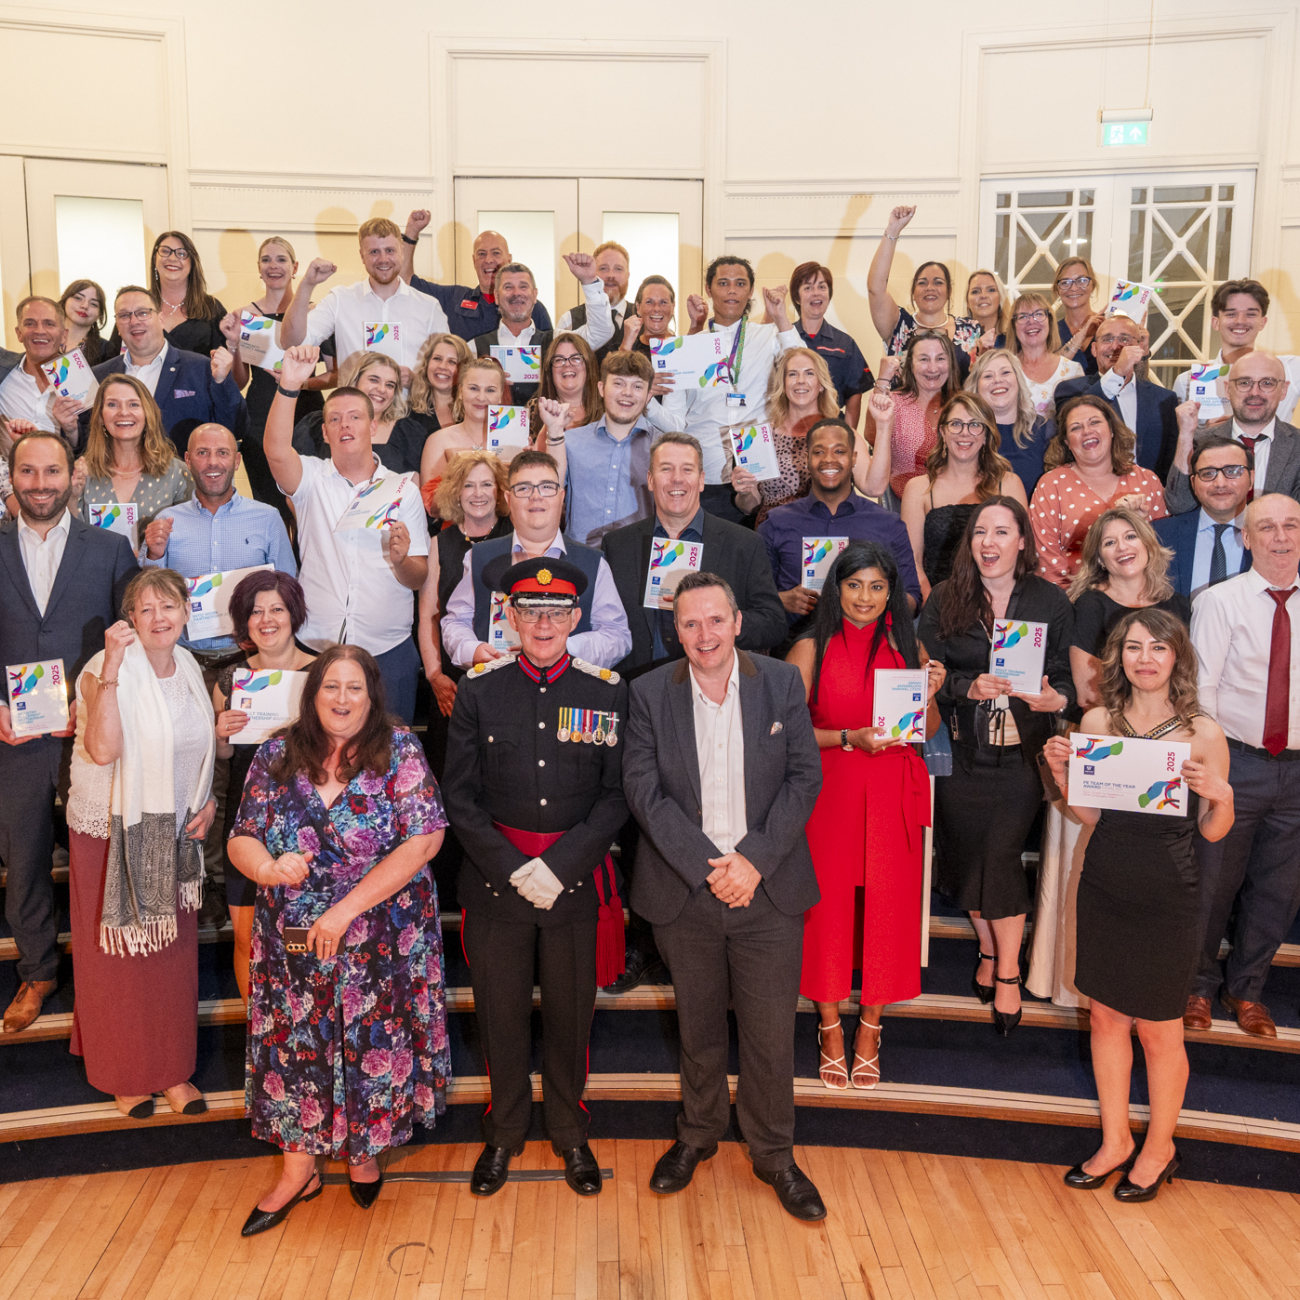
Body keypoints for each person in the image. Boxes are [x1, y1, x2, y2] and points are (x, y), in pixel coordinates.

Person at [622, 572, 826, 1222]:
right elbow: (644, 793)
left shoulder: (781, 682)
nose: (704, 634)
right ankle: (698, 1134)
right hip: (687, 891)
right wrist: (711, 869)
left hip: (767, 888)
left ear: (738, 622)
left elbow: (805, 777)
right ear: (675, 630)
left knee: (769, 1034)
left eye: (716, 620)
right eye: (690, 623)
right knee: (699, 1025)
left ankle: (774, 1154)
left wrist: (752, 862)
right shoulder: (649, 692)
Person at [228, 645, 449, 1232]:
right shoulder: (276, 752)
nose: (342, 699)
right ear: (313, 693)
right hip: (293, 941)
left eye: (355, 688)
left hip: (380, 936)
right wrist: (267, 867)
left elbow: (425, 840)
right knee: (294, 1048)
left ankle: (363, 1153)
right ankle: (297, 1170)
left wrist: (344, 912)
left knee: (370, 1041)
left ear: (372, 696)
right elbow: (241, 836)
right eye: (331, 686)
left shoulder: (398, 749)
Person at [442, 555, 628, 1199]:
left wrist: (563, 866)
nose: (543, 623)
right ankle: (505, 1131)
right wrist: (514, 869)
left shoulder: (606, 691)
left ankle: (571, 1131)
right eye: (531, 611)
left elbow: (617, 795)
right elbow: (459, 797)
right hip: (498, 884)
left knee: (572, 1018)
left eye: (556, 612)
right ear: (510, 617)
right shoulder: (479, 690)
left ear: (576, 618)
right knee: (501, 1016)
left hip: (574, 884)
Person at [1043, 611, 1233, 1201]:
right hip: (1106, 881)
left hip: (1168, 891)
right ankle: (1116, 1141)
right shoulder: (1099, 721)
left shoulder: (1203, 732)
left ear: (1178, 657)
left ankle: (1159, 1149)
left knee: (1158, 1029)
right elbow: (1089, 816)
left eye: (1157, 647)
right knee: (1104, 1017)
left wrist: (1223, 797)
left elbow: (1214, 831)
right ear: (1117, 656)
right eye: (1132, 647)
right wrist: (1064, 776)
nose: (1144, 658)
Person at [787, 543, 944, 1091]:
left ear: (891, 593)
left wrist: (931, 695)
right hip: (831, 787)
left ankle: (871, 1026)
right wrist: (849, 738)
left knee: (887, 910)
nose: (865, 597)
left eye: (877, 587)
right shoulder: (810, 648)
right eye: (854, 585)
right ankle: (830, 1025)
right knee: (825, 909)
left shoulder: (909, 646)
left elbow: (925, 729)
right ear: (836, 588)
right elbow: (788, 734)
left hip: (891, 787)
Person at [918, 498, 1074, 1035]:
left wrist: (1057, 699)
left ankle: (1008, 971)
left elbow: (1065, 675)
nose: (989, 542)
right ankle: (987, 949)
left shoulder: (1049, 600)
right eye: (980, 531)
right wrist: (966, 686)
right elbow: (925, 671)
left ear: (1022, 541)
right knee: (967, 859)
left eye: (1002, 531)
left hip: (1020, 759)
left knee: (1001, 857)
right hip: (960, 753)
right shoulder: (946, 597)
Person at [0, 431, 137, 1033]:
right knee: (24, 853)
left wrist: (101, 698)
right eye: (27, 472)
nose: (40, 484)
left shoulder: (110, 548)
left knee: (101, 852)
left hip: (91, 732)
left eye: (51, 471)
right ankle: (38, 971)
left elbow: (132, 636)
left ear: (72, 476)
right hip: (16, 736)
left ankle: (105, 969)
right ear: (11, 477)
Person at [1027, 510, 1191, 1008]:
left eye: (1130, 536)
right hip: (1107, 749)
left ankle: (1152, 989)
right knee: (1092, 869)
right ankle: (1082, 991)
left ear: (1148, 542)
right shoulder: (1090, 604)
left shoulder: (1178, 603)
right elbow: (1086, 690)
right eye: (1109, 542)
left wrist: (1161, 733)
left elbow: (1184, 678)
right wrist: (1137, 739)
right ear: (1097, 556)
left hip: (1166, 754)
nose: (1122, 548)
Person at [70, 568, 216, 1118]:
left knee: (170, 961)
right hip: (112, 832)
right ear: (129, 618)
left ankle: (171, 1069)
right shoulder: (102, 668)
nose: (159, 618)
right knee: (120, 962)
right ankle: (125, 1072)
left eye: (169, 606)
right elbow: (104, 751)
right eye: (146, 608)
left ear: (186, 613)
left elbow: (197, 751)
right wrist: (111, 668)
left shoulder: (191, 667)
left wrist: (207, 802)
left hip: (174, 835)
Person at [1185, 493, 1300, 1038]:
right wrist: (1213, 768)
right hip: (1236, 765)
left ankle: (1247, 991)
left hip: (1297, 773)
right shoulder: (1219, 602)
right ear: (1247, 538)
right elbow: (1201, 690)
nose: (1281, 537)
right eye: (1267, 527)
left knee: (1279, 891)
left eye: (1291, 525)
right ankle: (1197, 987)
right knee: (1213, 884)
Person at [264, 346, 430, 722]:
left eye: (355, 417)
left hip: (388, 649)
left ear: (373, 426)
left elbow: (417, 577)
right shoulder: (310, 479)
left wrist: (401, 560)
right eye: (335, 419)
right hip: (317, 644)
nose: (345, 426)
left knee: (391, 751)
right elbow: (275, 451)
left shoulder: (403, 489)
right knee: (317, 750)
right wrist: (289, 386)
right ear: (324, 432)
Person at [601, 432, 788, 675]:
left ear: (701, 480)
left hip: (714, 684)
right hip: (636, 684)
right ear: (650, 480)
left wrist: (719, 621)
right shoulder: (618, 545)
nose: (677, 479)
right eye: (666, 469)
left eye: (687, 469)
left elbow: (773, 624)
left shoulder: (744, 544)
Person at [212, 570, 315, 1004]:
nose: (266, 619)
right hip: (247, 822)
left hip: (310, 819)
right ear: (244, 621)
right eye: (256, 612)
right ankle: (257, 1029)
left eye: (277, 609)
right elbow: (222, 759)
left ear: (294, 614)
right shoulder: (229, 680)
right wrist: (220, 735)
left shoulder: (322, 672)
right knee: (246, 937)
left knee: (306, 937)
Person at [441, 449, 631, 671]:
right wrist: (471, 650)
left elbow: (617, 635)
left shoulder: (593, 562)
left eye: (547, 487)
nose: (536, 496)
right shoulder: (479, 556)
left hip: (569, 686)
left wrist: (567, 649)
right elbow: (455, 621)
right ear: (508, 499)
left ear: (561, 497)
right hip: (498, 682)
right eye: (523, 488)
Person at [656, 256, 801, 521]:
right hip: (705, 474)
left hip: (758, 472)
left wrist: (781, 317)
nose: (732, 290)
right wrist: (645, 402)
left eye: (740, 283)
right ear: (709, 289)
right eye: (723, 283)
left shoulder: (768, 335)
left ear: (751, 290)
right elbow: (673, 421)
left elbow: (804, 367)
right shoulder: (685, 347)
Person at [759, 409, 921, 642]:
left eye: (839, 451)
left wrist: (877, 598)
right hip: (793, 646)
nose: (828, 459)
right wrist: (782, 600)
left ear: (854, 458)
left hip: (869, 645)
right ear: (807, 458)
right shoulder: (776, 523)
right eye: (819, 452)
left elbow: (913, 599)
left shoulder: (888, 524)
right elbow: (753, 598)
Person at [142, 423, 296, 660]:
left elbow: (288, 589)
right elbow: (149, 593)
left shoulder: (267, 518)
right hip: (182, 657)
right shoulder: (167, 521)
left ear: (237, 461)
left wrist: (265, 630)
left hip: (249, 657)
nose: (212, 462)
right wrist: (155, 555)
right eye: (202, 453)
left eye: (222, 453)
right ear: (188, 460)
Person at [216, 237, 331, 517]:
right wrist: (233, 345)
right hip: (260, 418)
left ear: (295, 267)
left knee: (310, 499)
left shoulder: (316, 313)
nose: (273, 266)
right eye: (266, 260)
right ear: (258, 267)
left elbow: (336, 374)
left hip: (306, 413)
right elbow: (240, 382)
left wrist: (301, 383)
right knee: (269, 503)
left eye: (281, 259)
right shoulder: (244, 315)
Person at [417, 451, 513, 769]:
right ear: (456, 491)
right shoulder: (439, 543)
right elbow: (428, 615)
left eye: (486, 484)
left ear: (499, 490)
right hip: (455, 681)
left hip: (509, 673)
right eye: (469, 485)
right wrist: (435, 676)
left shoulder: (516, 534)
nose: (478, 493)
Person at [732, 347, 887, 523]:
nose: (800, 381)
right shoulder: (758, 437)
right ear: (783, 385)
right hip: (773, 531)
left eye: (809, 373)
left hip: (826, 531)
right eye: (792, 374)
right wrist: (744, 492)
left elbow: (874, 488)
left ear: (821, 384)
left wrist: (883, 426)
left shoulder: (844, 436)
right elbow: (749, 507)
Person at [278, 217, 451, 374]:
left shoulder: (429, 307)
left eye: (390, 250)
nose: (383, 259)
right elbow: (292, 343)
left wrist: (415, 382)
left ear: (402, 252)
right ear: (362, 256)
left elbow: (447, 369)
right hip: (354, 400)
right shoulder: (340, 300)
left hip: (412, 400)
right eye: (374, 252)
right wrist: (307, 284)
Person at [1030, 395, 1168, 588]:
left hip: (1140, 594)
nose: (1087, 431)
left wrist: (1138, 524)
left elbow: (1163, 549)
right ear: (1067, 442)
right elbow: (1045, 559)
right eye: (1076, 428)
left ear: (1111, 430)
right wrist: (1073, 601)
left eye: (1094, 422)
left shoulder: (1147, 480)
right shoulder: (1051, 484)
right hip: (1073, 596)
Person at [88, 286, 244, 456]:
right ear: (118, 326)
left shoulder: (202, 369)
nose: (134, 321)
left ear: (161, 319)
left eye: (143, 313)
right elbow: (86, 439)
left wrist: (222, 382)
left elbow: (235, 427)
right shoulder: (98, 377)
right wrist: (71, 428)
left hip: (183, 471)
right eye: (124, 315)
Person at [901, 392, 1027, 597]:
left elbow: (1022, 553)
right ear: (943, 432)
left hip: (1000, 599)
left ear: (986, 435)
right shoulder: (918, 488)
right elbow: (912, 561)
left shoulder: (1009, 484)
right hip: (939, 600)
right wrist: (932, 604)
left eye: (975, 425)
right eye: (956, 424)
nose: (964, 433)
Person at [541, 350, 655, 545]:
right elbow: (550, 489)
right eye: (618, 383)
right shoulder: (571, 440)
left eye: (637, 386)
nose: (627, 392)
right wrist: (554, 430)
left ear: (648, 395)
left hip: (637, 555)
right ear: (601, 388)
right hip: (580, 554)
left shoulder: (661, 447)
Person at [1165, 352, 1300, 514]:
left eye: (1267, 383)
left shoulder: (1297, 445)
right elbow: (1178, 505)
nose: (1254, 392)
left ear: (1283, 390)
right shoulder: (1199, 441)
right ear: (1228, 389)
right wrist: (1185, 435)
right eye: (1244, 383)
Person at [470, 255, 615, 394]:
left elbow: (599, 333)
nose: (516, 293)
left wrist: (589, 282)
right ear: (496, 296)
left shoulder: (557, 341)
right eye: (508, 287)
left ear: (535, 295)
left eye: (523, 286)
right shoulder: (474, 349)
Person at [1054, 317, 1179, 478]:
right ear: (1094, 349)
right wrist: (1117, 373)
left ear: (1139, 348)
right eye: (1107, 339)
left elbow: (1170, 463)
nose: (1115, 346)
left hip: (1150, 490)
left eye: (1124, 339)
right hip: (1089, 489)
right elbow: (1077, 418)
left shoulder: (1164, 399)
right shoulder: (1070, 390)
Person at [399, 213, 553, 340]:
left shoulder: (531, 307)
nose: (489, 260)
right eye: (482, 254)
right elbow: (405, 282)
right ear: (474, 261)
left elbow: (549, 354)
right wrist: (412, 232)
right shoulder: (454, 298)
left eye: (496, 253)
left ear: (509, 260)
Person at [1170, 279, 1300, 423]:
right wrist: (1203, 432)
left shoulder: (1290, 369)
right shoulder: (1187, 381)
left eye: (1251, 314)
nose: (1240, 321)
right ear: (1216, 323)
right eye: (1231, 314)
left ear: (1262, 322)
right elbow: (1177, 433)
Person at [76, 375, 194, 529]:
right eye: (112, 404)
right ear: (100, 416)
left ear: (147, 413)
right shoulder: (81, 472)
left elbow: (192, 533)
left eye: (133, 404)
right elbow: (71, 534)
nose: (123, 412)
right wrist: (72, 495)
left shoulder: (177, 472)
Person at [867, 206, 981, 360]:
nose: (930, 288)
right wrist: (893, 229)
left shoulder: (971, 329)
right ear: (913, 292)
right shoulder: (898, 325)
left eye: (938, 282)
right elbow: (875, 287)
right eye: (922, 283)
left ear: (949, 291)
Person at [293, 350, 430, 476]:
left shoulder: (409, 432)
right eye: (374, 380)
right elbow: (294, 479)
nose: (382, 389)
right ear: (356, 381)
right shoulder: (314, 425)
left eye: (390, 385)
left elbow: (420, 486)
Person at [1153, 434, 1254, 600]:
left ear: (1251, 478)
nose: (1220, 483)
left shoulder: (1279, 535)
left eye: (1232, 471)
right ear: (1193, 483)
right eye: (1208, 473)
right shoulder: (1159, 536)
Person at [867, 331, 961, 502]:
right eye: (924, 359)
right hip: (904, 504)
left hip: (958, 504)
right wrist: (883, 380)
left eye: (940, 359)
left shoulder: (965, 405)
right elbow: (872, 436)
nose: (933, 368)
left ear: (951, 363)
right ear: (910, 364)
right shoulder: (894, 403)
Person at [103, 231, 228, 358]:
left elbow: (228, 360)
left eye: (181, 253)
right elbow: (114, 358)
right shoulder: (136, 304)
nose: (172, 258)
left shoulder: (211, 307)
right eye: (165, 251)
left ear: (192, 262)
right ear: (154, 259)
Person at [788, 261, 874, 423]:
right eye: (808, 288)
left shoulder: (845, 343)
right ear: (797, 297)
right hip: (789, 426)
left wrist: (848, 434)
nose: (816, 293)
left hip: (831, 427)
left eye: (822, 287)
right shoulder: (783, 339)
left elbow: (854, 395)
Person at [966, 348, 1054, 496]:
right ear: (976, 388)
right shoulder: (966, 434)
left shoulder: (1046, 429)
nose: (997, 380)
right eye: (988, 376)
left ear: (1018, 380)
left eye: (1005, 372)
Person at [419, 356, 509, 490]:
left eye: (490, 390)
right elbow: (431, 499)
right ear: (460, 392)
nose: (481, 397)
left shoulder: (515, 441)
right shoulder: (437, 441)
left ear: (500, 395)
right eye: (474, 388)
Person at [0, 297, 82, 441]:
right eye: (30, 323)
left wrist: (72, 431)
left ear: (64, 335)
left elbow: (92, 443)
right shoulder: (3, 367)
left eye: (49, 324)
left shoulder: (83, 381)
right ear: (19, 333)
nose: (39, 331)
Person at [1006, 292, 1083, 417]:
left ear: (1050, 321)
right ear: (1013, 326)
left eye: (1038, 314)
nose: (1031, 321)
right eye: (1023, 316)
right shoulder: (1003, 369)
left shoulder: (1072, 371)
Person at [529, 335, 603, 448]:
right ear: (550, 370)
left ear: (589, 365)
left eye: (576, 358)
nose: (567, 364)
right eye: (559, 360)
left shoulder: (607, 409)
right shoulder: (534, 410)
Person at [557, 240, 631, 337]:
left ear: (628, 275)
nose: (611, 275)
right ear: (592, 273)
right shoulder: (569, 320)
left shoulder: (644, 318)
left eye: (618, 269)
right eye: (603, 268)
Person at [1052, 258, 1106, 378]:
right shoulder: (1051, 333)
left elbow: (1133, 378)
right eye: (1065, 282)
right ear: (1057, 290)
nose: (1073, 288)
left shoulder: (1108, 326)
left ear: (1092, 286)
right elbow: (1044, 376)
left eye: (1081, 281)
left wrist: (1143, 353)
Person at [409, 331, 471, 435]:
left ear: (464, 370)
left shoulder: (475, 412)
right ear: (427, 364)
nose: (442, 366)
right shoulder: (407, 414)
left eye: (452, 362)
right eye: (437, 359)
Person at [59, 279, 109, 365]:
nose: (85, 306)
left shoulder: (106, 349)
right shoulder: (47, 339)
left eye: (93, 304)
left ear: (100, 315)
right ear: (65, 300)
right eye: (78, 298)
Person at [965, 270, 1008, 355]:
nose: (983, 296)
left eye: (991, 290)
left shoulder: (1014, 339)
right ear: (967, 302)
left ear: (1000, 297)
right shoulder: (956, 341)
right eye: (975, 291)